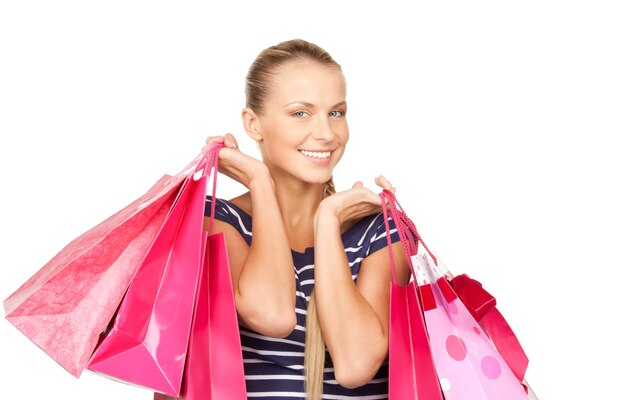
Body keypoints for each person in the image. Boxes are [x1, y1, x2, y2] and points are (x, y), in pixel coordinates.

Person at [203, 39, 409, 400]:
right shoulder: (219, 221)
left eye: (336, 112)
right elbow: (271, 314)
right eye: (301, 113)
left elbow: (356, 364)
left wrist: (328, 223)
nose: (326, 133)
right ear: (253, 124)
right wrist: (260, 183)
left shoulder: (381, 231)